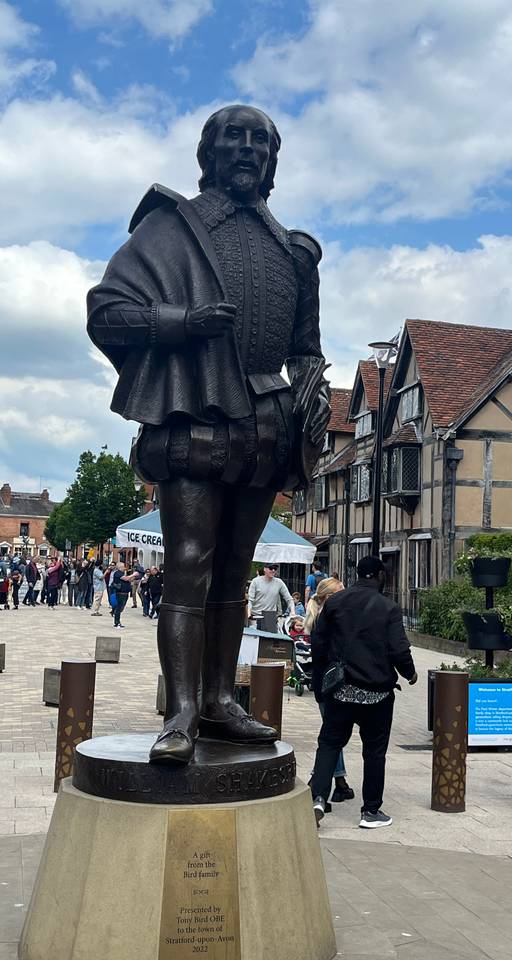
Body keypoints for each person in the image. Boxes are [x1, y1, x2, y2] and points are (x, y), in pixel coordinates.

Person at [87, 103, 330, 765]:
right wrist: (182, 322)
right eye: (234, 137)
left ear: (272, 160)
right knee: (189, 564)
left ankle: (220, 700)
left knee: (232, 569)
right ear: (210, 152)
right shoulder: (170, 229)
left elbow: (306, 347)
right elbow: (106, 312)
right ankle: (181, 711)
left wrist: (312, 396)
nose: (248, 149)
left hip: (266, 424)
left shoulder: (294, 252)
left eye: (260, 141)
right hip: (193, 411)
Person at [310, 556, 417, 829]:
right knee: (374, 752)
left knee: (330, 743)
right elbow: (399, 649)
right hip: (377, 693)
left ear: (358, 574)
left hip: (340, 690)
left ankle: (317, 798)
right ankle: (370, 811)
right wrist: (410, 673)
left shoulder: (335, 602)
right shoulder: (389, 607)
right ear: (380, 575)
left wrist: (320, 684)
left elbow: (318, 644)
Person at [305, 576, 354, 806]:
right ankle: (321, 781)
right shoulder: (328, 621)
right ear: (329, 597)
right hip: (332, 685)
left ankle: (337, 780)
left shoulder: (321, 618)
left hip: (325, 684)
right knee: (332, 736)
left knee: (332, 734)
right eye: (340, 592)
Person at [110, 561, 133, 628]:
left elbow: (129, 579)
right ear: (120, 567)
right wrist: (134, 574)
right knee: (119, 608)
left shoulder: (122, 573)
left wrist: (134, 577)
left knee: (121, 608)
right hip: (120, 593)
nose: (124, 568)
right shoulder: (117, 573)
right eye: (123, 567)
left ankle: (115, 613)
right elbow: (126, 579)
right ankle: (117, 623)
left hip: (125, 593)